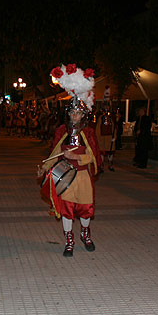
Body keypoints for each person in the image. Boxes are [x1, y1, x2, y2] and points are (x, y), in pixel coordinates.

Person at [38, 64, 101, 257]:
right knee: (66, 210)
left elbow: (95, 158)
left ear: (84, 114)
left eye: (78, 113)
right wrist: (44, 167)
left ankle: (85, 234)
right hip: (65, 176)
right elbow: (54, 154)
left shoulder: (88, 132)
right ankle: (69, 240)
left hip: (82, 176)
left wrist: (77, 157)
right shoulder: (61, 131)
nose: (75, 116)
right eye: (72, 113)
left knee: (85, 209)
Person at [94, 105, 116, 171]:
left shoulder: (111, 118)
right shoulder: (100, 118)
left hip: (110, 138)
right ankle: (101, 166)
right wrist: (98, 138)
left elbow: (114, 127)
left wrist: (114, 136)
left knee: (110, 152)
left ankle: (110, 165)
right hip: (102, 138)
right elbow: (98, 128)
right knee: (102, 153)